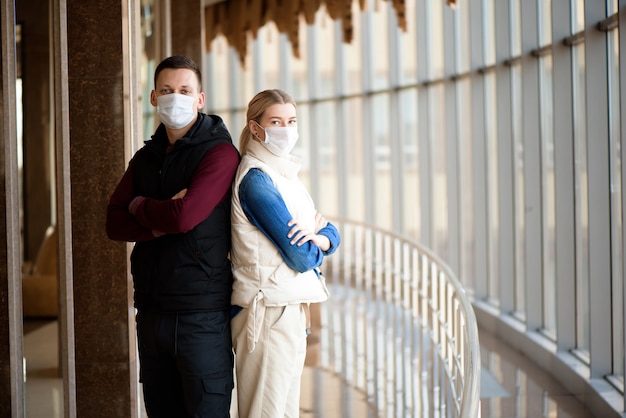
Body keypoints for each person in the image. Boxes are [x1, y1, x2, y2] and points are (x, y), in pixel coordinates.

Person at [105, 55, 240, 418]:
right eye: (167, 90)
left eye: (184, 90)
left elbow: (186, 216)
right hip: (150, 312)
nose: (175, 98)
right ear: (153, 97)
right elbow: (113, 223)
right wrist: (158, 215)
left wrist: (138, 206)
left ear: (200, 99)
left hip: (201, 313)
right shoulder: (145, 157)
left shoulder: (220, 153)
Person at [230, 89, 341, 417]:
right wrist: (320, 242)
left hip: (289, 310)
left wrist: (322, 239)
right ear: (255, 128)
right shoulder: (256, 181)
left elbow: (329, 230)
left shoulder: (283, 176)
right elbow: (300, 257)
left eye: (291, 121)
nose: (285, 129)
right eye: (275, 121)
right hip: (267, 314)